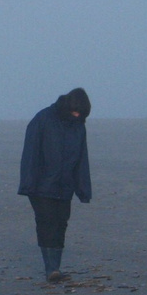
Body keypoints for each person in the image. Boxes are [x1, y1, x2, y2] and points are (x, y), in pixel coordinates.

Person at [18, 88, 92, 283]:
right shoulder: (43, 119)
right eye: (75, 111)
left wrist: (83, 189)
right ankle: (50, 269)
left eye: (81, 113)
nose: (77, 115)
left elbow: (82, 158)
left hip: (65, 185)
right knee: (47, 223)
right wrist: (27, 184)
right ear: (67, 106)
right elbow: (30, 153)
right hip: (40, 185)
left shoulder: (78, 126)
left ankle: (55, 268)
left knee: (61, 224)